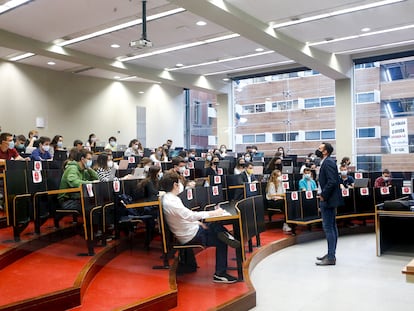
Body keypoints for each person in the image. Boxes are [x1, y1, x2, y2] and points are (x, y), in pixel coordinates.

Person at [160, 171, 240, 283]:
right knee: (221, 240)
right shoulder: (171, 202)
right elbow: (190, 216)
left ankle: (227, 236)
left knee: (215, 225)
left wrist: (198, 222)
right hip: (191, 235)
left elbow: (184, 217)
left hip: (192, 229)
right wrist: (212, 213)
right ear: (175, 185)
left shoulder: (170, 198)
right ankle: (220, 274)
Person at [315, 142, 342, 266]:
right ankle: (331, 253)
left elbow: (332, 182)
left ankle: (331, 257)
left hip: (327, 199)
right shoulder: (326, 161)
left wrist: (323, 195)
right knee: (331, 226)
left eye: (320, 148)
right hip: (328, 199)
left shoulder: (328, 162)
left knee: (329, 227)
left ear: (325, 151)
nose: (318, 150)